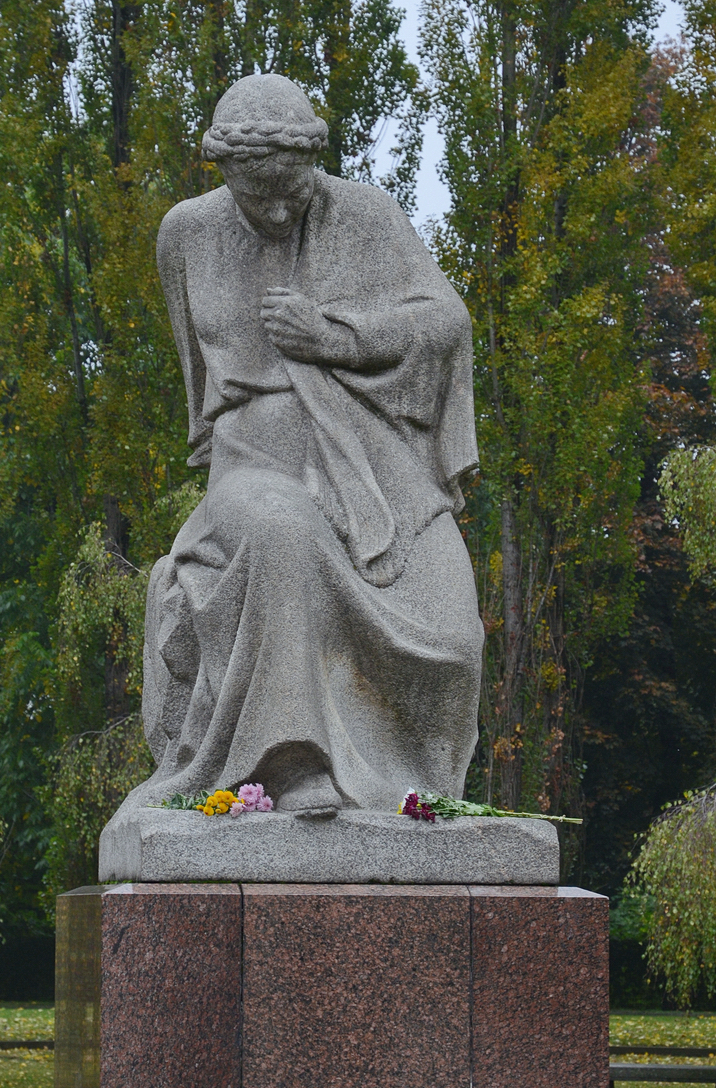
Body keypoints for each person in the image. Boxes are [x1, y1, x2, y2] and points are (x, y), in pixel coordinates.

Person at [130, 73, 483, 821]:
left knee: (452, 636)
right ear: (223, 174)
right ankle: (290, 765)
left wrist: (337, 338)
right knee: (280, 533)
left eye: (295, 188)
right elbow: (203, 391)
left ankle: (415, 797)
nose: (282, 208)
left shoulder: (364, 216)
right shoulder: (186, 234)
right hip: (252, 465)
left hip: (374, 467)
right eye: (261, 196)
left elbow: (446, 323)